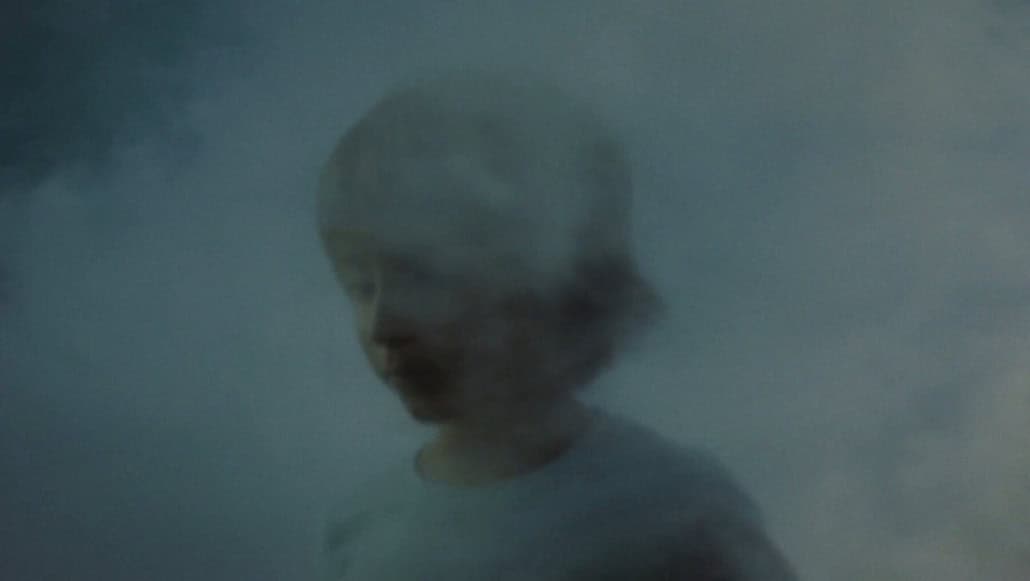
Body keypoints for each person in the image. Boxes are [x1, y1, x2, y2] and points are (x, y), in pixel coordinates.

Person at [317, 69, 798, 580]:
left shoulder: (675, 511)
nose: (384, 325)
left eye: (424, 277)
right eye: (360, 287)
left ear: (556, 278)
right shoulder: (362, 526)